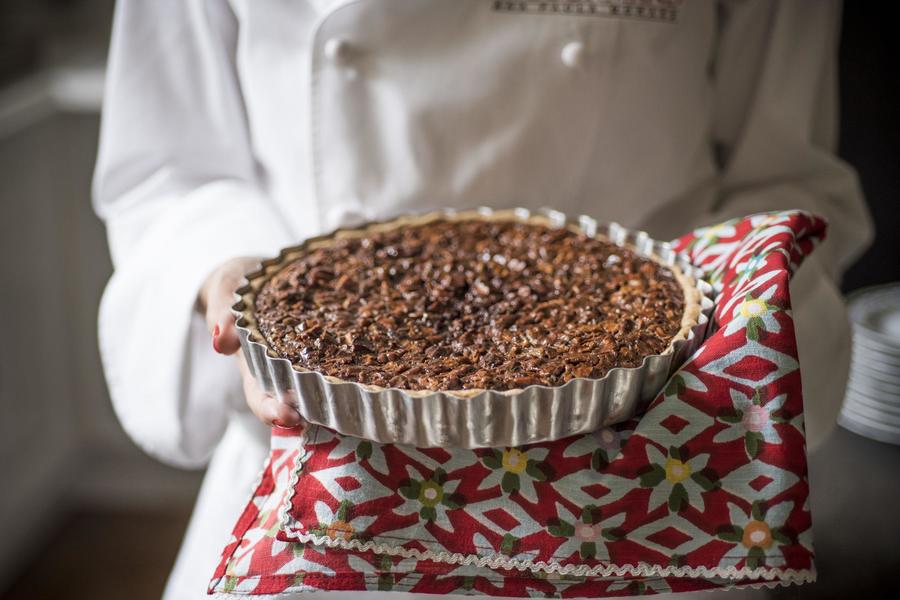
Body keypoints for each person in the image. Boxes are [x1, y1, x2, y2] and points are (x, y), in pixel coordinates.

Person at [93, 1, 871, 598]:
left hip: (651, 481)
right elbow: (171, 171)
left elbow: (784, 174)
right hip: (318, 480)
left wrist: (737, 336)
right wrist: (228, 272)